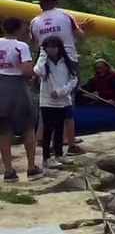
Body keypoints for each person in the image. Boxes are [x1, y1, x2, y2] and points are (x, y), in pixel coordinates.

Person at [29, 0, 94, 153]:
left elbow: (34, 43)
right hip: (67, 58)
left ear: (41, 5)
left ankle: (42, 137)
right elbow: (80, 36)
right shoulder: (66, 16)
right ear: (55, 2)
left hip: (45, 61)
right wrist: (80, 32)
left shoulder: (34, 22)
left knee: (46, 99)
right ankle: (68, 139)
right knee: (67, 98)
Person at [0, 17, 41, 183]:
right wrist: (32, 74)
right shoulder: (21, 46)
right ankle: (31, 167)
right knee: (27, 126)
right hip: (16, 86)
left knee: (4, 129)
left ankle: (8, 170)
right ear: (18, 29)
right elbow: (26, 70)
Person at [34, 37, 78, 171]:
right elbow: (38, 71)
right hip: (47, 102)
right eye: (48, 47)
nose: (51, 50)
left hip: (63, 100)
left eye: (54, 47)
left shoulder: (66, 62)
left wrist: (62, 91)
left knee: (60, 128)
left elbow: (73, 79)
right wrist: (42, 55)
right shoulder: (44, 62)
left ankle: (59, 154)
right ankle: (46, 158)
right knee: (48, 130)